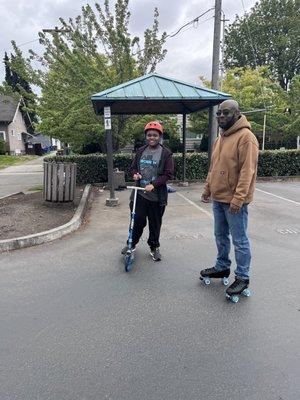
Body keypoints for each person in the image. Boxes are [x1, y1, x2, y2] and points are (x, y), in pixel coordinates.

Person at [200, 100, 259, 296]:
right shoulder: (220, 139)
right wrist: (207, 189)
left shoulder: (246, 137)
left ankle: (242, 277)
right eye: (219, 114)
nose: (221, 117)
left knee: (240, 240)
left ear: (236, 114)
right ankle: (222, 266)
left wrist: (239, 198)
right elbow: (214, 168)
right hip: (218, 198)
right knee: (220, 235)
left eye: (226, 113)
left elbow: (247, 171)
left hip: (235, 201)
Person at [122, 121, 174, 261]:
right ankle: (131, 244)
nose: (152, 137)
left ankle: (154, 247)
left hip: (157, 197)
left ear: (160, 136)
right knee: (137, 221)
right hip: (140, 194)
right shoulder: (140, 151)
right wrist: (135, 174)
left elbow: (168, 174)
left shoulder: (166, 153)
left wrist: (154, 184)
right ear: (146, 136)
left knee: (155, 223)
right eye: (149, 135)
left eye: (155, 135)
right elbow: (133, 168)